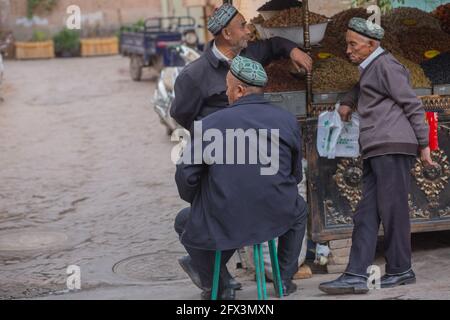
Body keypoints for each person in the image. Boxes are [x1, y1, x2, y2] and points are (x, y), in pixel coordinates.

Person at [174, 56, 307, 300]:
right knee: (299, 208)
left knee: (186, 220)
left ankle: (219, 282)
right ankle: (284, 280)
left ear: (239, 90)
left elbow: (185, 177)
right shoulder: (287, 120)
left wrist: (202, 200)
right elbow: (295, 174)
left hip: (225, 213)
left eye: (227, 87)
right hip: (276, 211)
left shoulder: (209, 124)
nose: (225, 93)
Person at [319, 17, 435, 295]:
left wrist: (425, 144)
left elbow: (412, 103)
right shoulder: (372, 67)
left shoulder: (387, 65)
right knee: (366, 214)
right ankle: (355, 274)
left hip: (392, 145)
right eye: (347, 43)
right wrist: (348, 100)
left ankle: (401, 269)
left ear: (372, 44)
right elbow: (363, 87)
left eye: (353, 44)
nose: (348, 50)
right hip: (377, 147)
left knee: (393, 211)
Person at [170, 3, 312, 131]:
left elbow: (274, 45)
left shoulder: (251, 52)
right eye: (242, 26)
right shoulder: (193, 74)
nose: (249, 31)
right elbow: (182, 116)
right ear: (227, 33)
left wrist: (293, 50)